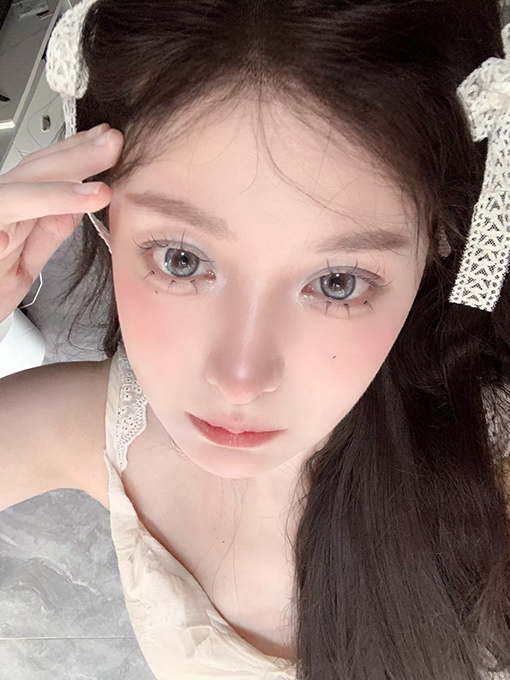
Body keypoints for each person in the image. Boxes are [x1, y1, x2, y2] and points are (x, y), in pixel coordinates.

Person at [2, 0, 510, 678]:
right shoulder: (95, 427)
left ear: (442, 241)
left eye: (337, 283)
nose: (240, 378)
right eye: (183, 260)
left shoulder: (493, 473)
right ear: (103, 214)